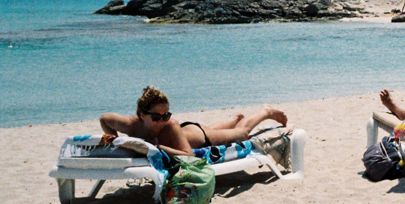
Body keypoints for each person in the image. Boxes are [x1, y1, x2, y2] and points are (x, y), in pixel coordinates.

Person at [100, 86, 288, 156]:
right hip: (188, 132)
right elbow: (105, 119)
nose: (162, 121)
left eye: (166, 115)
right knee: (209, 127)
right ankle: (235, 119)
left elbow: (188, 155)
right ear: (142, 115)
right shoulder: (130, 124)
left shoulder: (170, 125)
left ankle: (266, 111)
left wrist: (158, 147)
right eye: (156, 117)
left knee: (242, 133)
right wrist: (115, 141)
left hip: (201, 137)